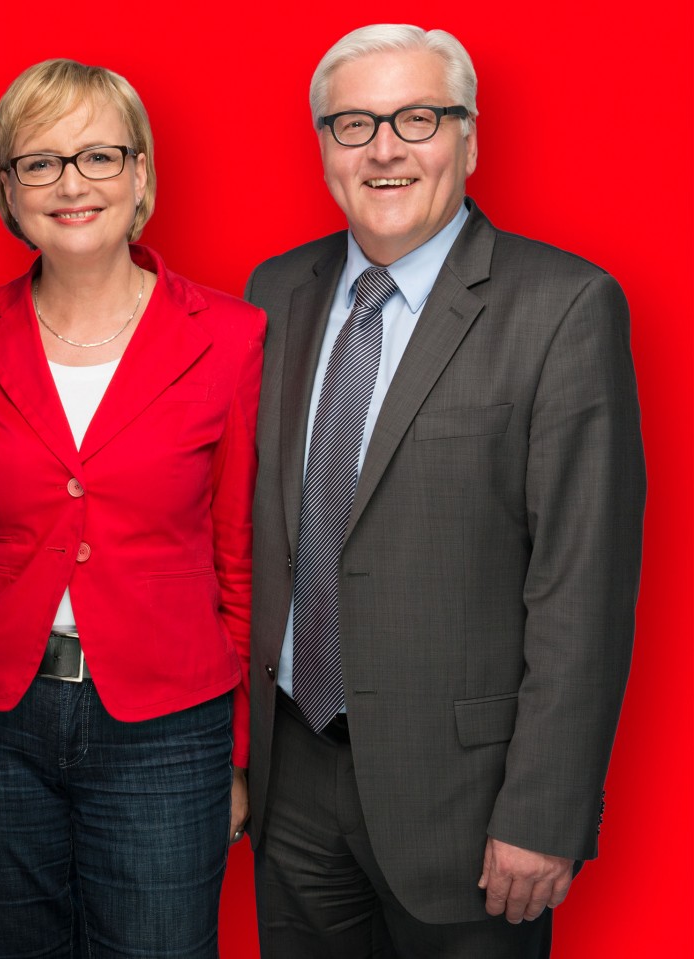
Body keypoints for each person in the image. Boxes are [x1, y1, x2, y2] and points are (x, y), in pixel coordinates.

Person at [245, 23, 645, 958]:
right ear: (325, 148)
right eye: (354, 124)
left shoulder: (564, 306)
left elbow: (582, 586)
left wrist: (545, 810)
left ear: (468, 138)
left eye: (417, 118)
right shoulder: (274, 292)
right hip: (290, 780)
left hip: (468, 802)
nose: (384, 149)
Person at [0, 58, 263, 958]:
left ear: (141, 172)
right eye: (39, 162)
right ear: (8, 188)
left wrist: (238, 753)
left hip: (168, 726)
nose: (71, 184)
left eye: (99, 157)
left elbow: (239, 559)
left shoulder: (231, 337)